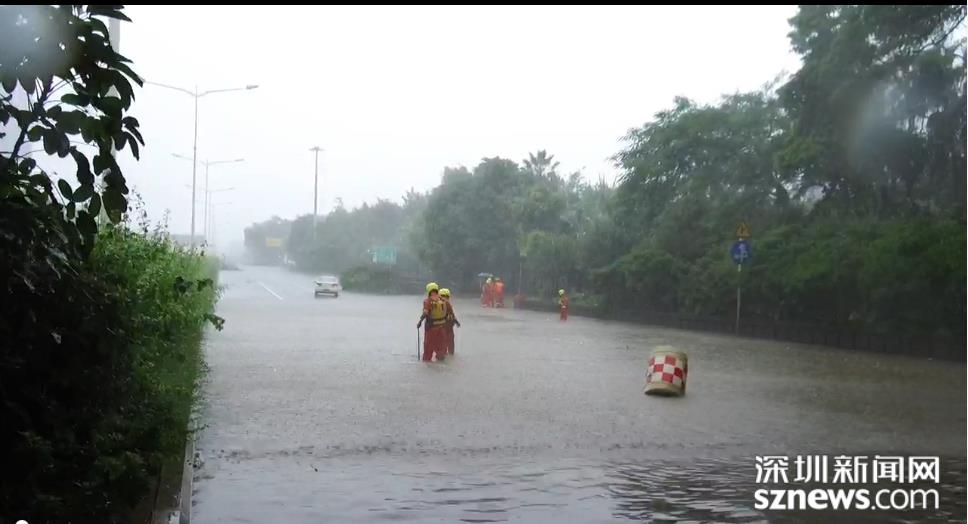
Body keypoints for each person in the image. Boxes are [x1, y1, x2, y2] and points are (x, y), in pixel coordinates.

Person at [417, 282, 448, 361]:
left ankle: (427, 364)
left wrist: (420, 321)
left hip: (431, 329)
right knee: (440, 349)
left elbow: (425, 312)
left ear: (428, 291)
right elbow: (449, 312)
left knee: (428, 349)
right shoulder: (443, 300)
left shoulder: (428, 301)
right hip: (442, 328)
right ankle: (441, 363)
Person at [439, 288, 461, 355]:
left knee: (448, 343)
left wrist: (456, 322)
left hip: (447, 327)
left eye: (446, 296)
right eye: (443, 296)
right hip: (443, 327)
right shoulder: (444, 304)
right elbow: (452, 315)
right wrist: (456, 322)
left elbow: (452, 315)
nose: (445, 298)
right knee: (445, 344)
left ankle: (446, 355)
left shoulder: (444, 304)